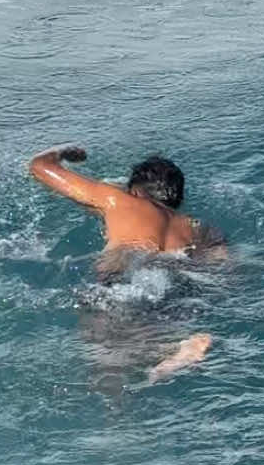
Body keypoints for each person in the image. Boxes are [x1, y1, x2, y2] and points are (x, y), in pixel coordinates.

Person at [27, 145, 223, 381]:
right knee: (145, 329)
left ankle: (167, 351)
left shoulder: (118, 200)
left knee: (106, 367)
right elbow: (225, 271)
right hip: (178, 285)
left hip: (126, 277)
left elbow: (40, 167)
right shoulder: (200, 229)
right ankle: (171, 351)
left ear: (136, 191)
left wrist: (64, 151)